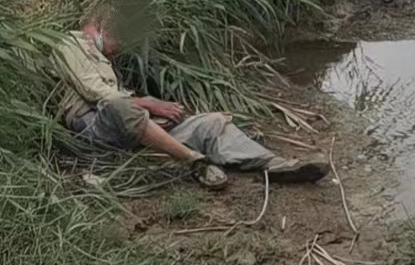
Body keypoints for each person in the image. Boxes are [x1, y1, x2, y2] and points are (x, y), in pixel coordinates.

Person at [53, 14, 329, 189]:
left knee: (211, 123)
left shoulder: (106, 61)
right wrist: (146, 104)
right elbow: (97, 94)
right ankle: (195, 161)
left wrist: (152, 113)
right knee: (122, 105)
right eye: (120, 41)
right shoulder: (70, 43)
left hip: (126, 125)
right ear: (102, 26)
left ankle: (275, 165)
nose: (121, 49)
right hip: (92, 126)